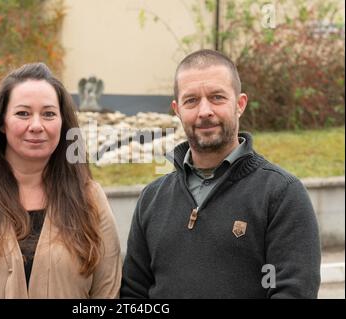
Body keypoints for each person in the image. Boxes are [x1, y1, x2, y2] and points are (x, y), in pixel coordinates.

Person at [121, 49, 321, 299]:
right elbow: (133, 294)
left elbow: (294, 292)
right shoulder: (152, 199)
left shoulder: (281, 194)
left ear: (240, 104)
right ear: (177, 110)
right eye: (191, 100)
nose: (204, 111)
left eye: (217, 97)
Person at [0, 63, 122, 298]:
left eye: (49, 114)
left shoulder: (90, 199)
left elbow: (107, 293)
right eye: (23, 113)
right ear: (1, 123)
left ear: (63, 123)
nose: (37, 126)